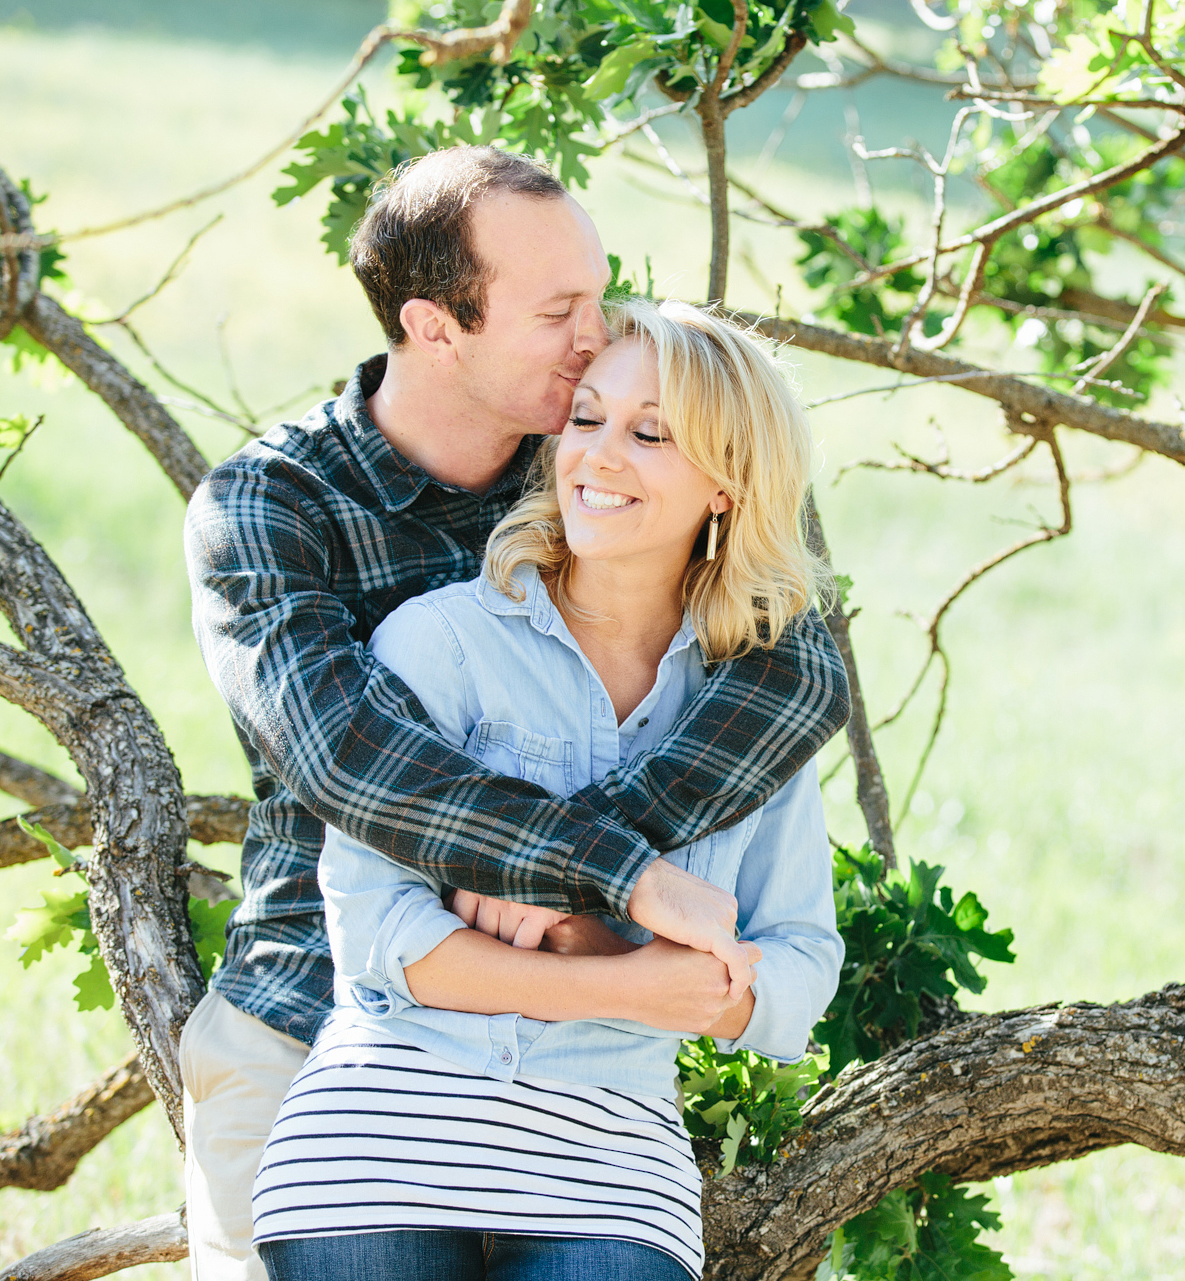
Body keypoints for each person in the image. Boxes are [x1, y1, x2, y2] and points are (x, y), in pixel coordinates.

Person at [182, 147, 848, 1280]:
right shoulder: (271, 505)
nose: (594, 336)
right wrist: (624, 878)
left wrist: (570, 896)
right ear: (437, 329)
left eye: (597, 294)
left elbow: (798, 669)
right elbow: (348, 759)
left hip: (587, 1064)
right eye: (558, 312)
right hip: (313, 1008)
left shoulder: (598, 442)